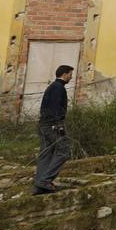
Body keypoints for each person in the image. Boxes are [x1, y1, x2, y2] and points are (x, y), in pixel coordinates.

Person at [33, 64, 73, 194]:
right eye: (70, 75)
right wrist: (58, 125)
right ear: (65, 74)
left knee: (45, 153)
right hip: (53, 125)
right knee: (64, 150)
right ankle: (45, 180)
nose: (71, 78)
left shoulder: (52, 86)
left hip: (44, 124)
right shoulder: (58, 88)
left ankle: (39, 186)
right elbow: (55, 108)